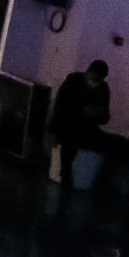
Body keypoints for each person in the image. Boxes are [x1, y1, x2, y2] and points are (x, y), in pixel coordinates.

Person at [50, 59, 114, 193]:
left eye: (98, 80)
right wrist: (82, 112)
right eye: (94, 79)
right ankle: (66, 175)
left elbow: (105, 118)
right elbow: (60, 109)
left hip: (89, 130)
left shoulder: (103, 89)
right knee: (71, 137)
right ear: (88, 72)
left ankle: (102, 179)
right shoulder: (72, 82)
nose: (94, 83)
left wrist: (97, 113)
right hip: (68, 126)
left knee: (118, 143)